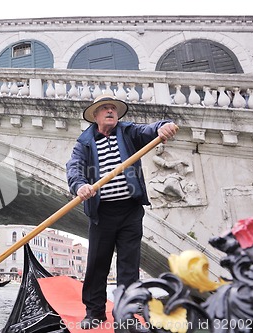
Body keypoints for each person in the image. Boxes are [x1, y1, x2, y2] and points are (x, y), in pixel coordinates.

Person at [65, 93, 178, 330]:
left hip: (130, 210)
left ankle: (125, 314)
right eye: (104, 108)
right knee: (98, 263)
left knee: (129, 264)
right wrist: (80, 185)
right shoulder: (84, 142)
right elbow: (74, 168)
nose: (110, 111)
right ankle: (94, 312)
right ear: (95, 116)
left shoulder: (128, 132)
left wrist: (163, 126)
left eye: (113, 108)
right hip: (102, 212)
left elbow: (150, 130)